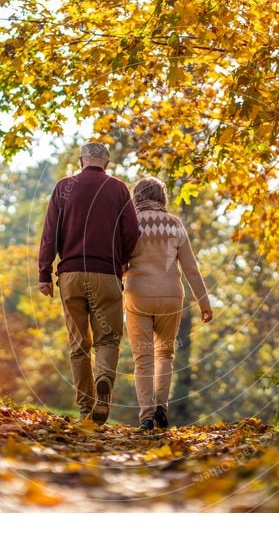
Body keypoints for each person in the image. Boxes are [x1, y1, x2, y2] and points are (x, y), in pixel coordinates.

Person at [38, 143, 140, 424]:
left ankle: (85, 408)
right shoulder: (118, 188)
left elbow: (50, 234)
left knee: (78, 343)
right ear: (106, 163)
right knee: (107, 338)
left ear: (81, 160)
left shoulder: (63, 187)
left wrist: (44, 274)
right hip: (106, 274)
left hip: (70, 275)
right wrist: (121, 258)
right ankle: (103, 381)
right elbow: (132, 231)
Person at [124, 177, 213, 430]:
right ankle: (162, 405)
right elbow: (191, 269)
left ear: (137, 196)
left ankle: (147, 416)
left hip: (137, 295)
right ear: (162, 196)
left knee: (143, 359)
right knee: (165, 353)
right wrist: (204, 303)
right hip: (171, 296)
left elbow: (119, 263)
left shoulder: (130, 223)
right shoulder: (175, 224)